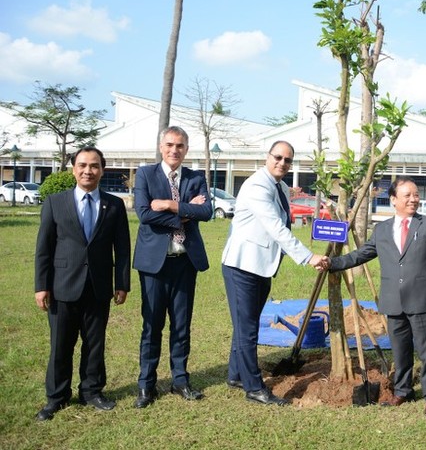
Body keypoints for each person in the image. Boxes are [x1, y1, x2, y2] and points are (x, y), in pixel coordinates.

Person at [324, 176, 426, 417]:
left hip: (423, 300)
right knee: (400, 350)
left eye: (415, 195)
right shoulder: (381, 230)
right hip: (393, 301)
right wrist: (333, 262)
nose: (414, 199)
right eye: (407, 195)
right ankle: (402, 390)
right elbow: (361, 255)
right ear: (393, 200)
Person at [221, 140, 327, 406]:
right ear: (267, 157)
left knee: (247, 324)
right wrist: (308, 256)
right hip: (242, 266)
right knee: (247, 330)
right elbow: (277, 228)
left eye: (288, 160)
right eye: (277, 157)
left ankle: (236, 374)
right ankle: (255, 388)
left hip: (261, 266)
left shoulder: (278, 185)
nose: (282, 163)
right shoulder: (258, 185)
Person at [34, 147, 130, 421]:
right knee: (60, 345)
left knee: (95, 344)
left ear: (102, 170)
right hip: (62, 286)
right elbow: (44, 248)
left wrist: (121, 283)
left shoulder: (114, 205)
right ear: (73, 168)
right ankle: (56, 397)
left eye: (95, 166)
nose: (89, 170)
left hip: (98, 287)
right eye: (83, 165)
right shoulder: (55, 202)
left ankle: (92, 391)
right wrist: (42, 285)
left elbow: (122, 247)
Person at [132, 126, 212, 408]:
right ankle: (146, 385)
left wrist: (167, 204)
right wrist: (185, 212)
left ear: (186, 149)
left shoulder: (195, 177)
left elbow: (207, 212)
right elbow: (143, 213)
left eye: (180, 145)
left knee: (181, 325)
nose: (174, 150)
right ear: (160, 146)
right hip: (154, 265)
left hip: (184, 264)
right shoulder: (145, 174)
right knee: (152, 325)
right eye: (169, 145)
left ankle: (180, 380)